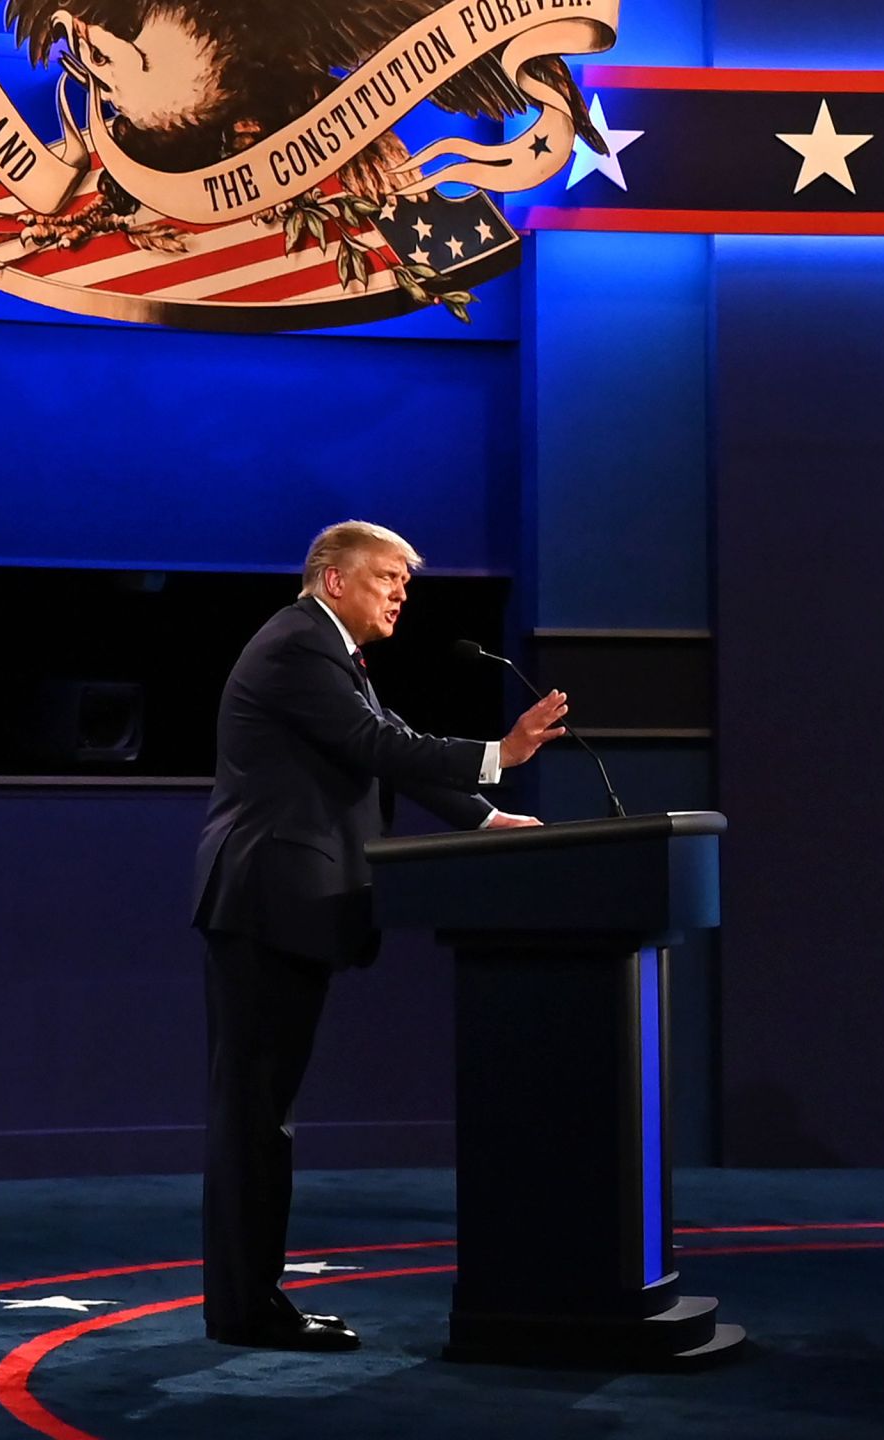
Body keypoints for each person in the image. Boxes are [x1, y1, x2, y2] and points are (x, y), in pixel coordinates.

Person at [190, 520, 569, 1351]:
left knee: (263, 1112)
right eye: (390, 577)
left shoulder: (332, 654)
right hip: (266, 902)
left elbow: (387, 757)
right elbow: (375, 743)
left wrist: (487, 815)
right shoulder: (299, 645)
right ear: (334, 580)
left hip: (279, 904)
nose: (402, 592)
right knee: (255, 1115)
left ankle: (250, 1301)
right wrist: (498, 753)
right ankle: (247, 1309)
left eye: (406, 581)